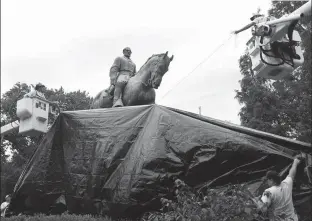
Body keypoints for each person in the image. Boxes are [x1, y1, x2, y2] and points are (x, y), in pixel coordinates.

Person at [251, 154, 305, 221]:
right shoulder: (287, 183)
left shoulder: (268, 192)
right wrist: (295, 162)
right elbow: (292, 173)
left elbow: (263, 210)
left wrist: (256, 201)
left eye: (267, 180)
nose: (266, 182)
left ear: (271, 180)